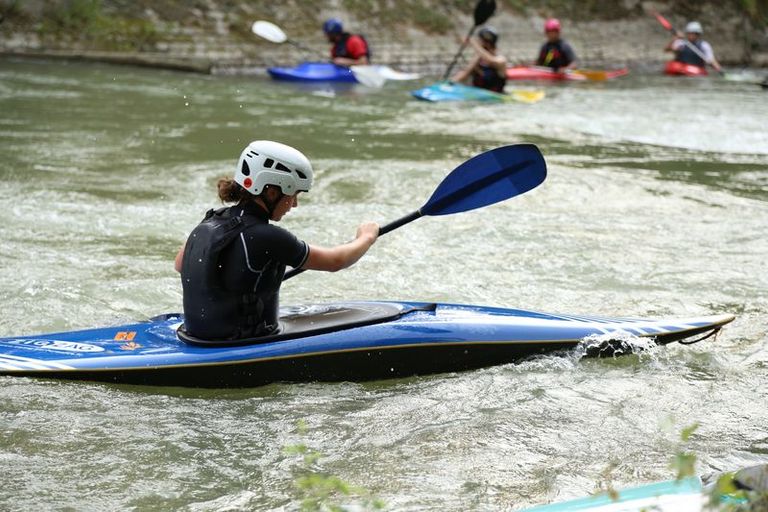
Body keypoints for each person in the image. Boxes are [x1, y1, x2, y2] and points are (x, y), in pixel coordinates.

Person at [174, 140, 379, 341]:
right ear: (272, 192)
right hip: (242, 342)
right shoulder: (268, 236)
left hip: (196, 336)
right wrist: (366, 237)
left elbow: (180, 264)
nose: (295, 204)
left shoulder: (212, 220)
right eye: (294, 194)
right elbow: (336, 261)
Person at [451, 27, 507, 92]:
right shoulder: (478, 58)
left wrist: (473, 43)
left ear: (488, 44)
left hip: (496, 94)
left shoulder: (501, 60)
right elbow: (465, 73)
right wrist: (450, 83)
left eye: (481, 41)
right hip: (477, 93)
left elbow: (491, 60)